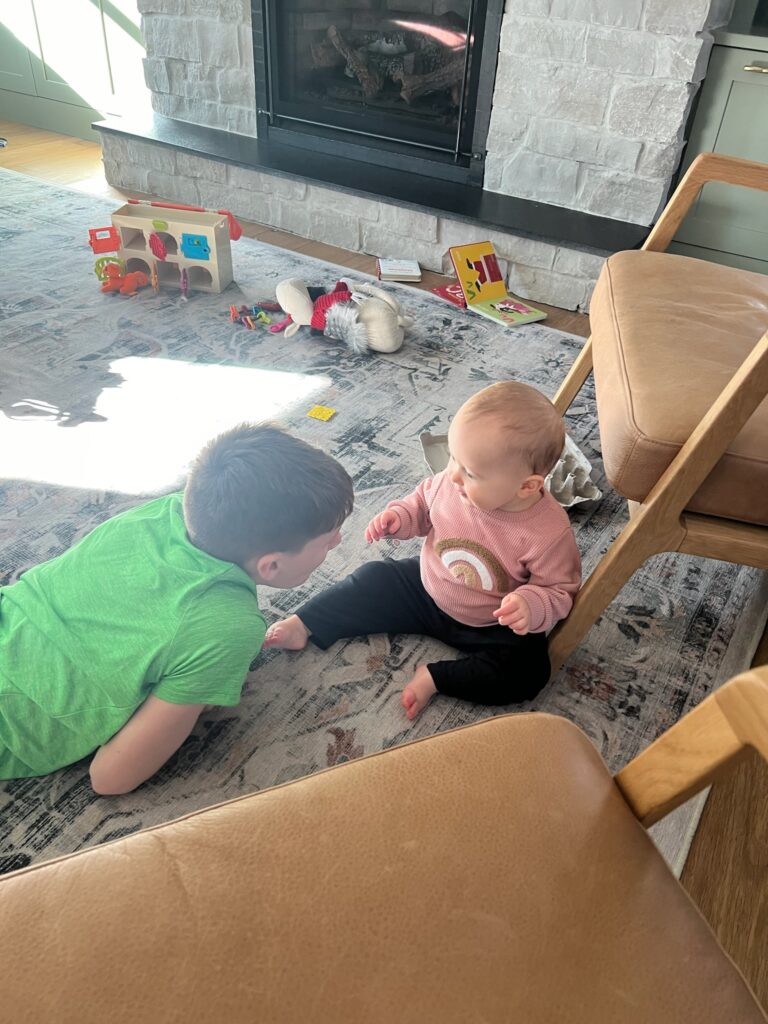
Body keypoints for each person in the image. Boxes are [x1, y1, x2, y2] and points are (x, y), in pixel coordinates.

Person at [0, 423, 353, 793]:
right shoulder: (228, 626)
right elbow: (110, 778)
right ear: (271, 565)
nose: (338, 541)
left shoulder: (163, 512)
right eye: (328, 540)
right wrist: (195, 697)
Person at [265, 382, 582, 720]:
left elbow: (559, 589)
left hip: (490, 621)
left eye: (470, 472)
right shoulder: (450, 482)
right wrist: (401, 517)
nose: (453, 475)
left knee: (529, 672)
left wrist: (530, 605)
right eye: (453, 458)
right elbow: (421, 504)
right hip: (428, 587)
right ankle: (307, 622)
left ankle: (435, 678)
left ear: (527, 486)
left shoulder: (548, 533)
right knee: (374, 578)